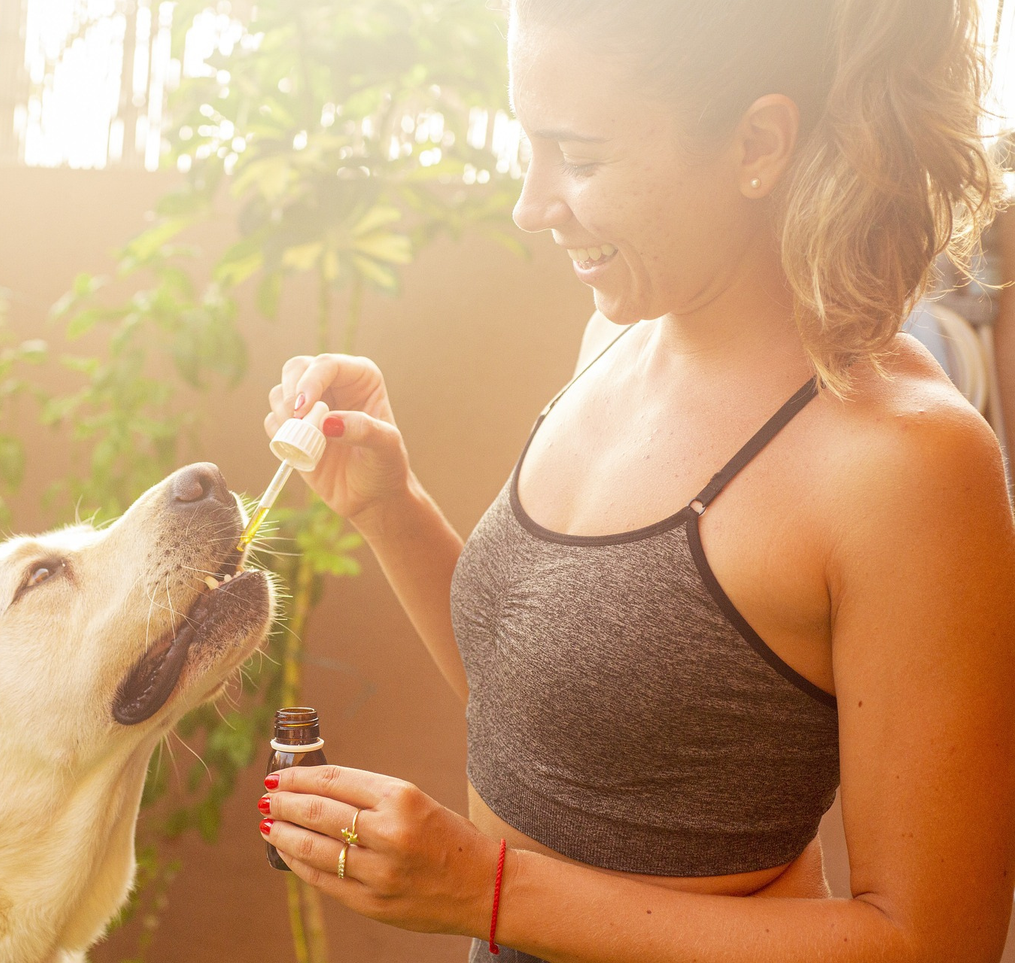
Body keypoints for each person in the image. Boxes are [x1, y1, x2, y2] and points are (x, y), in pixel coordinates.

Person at [256, 0, 1015, 960]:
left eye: (578, 156)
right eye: (527, 146)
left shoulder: (903, 462)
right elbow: (557, 718)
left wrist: (482, 887)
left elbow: (935, 943)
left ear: (757, 141)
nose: (532, 204)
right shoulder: (616, 335)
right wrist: (389, 506)